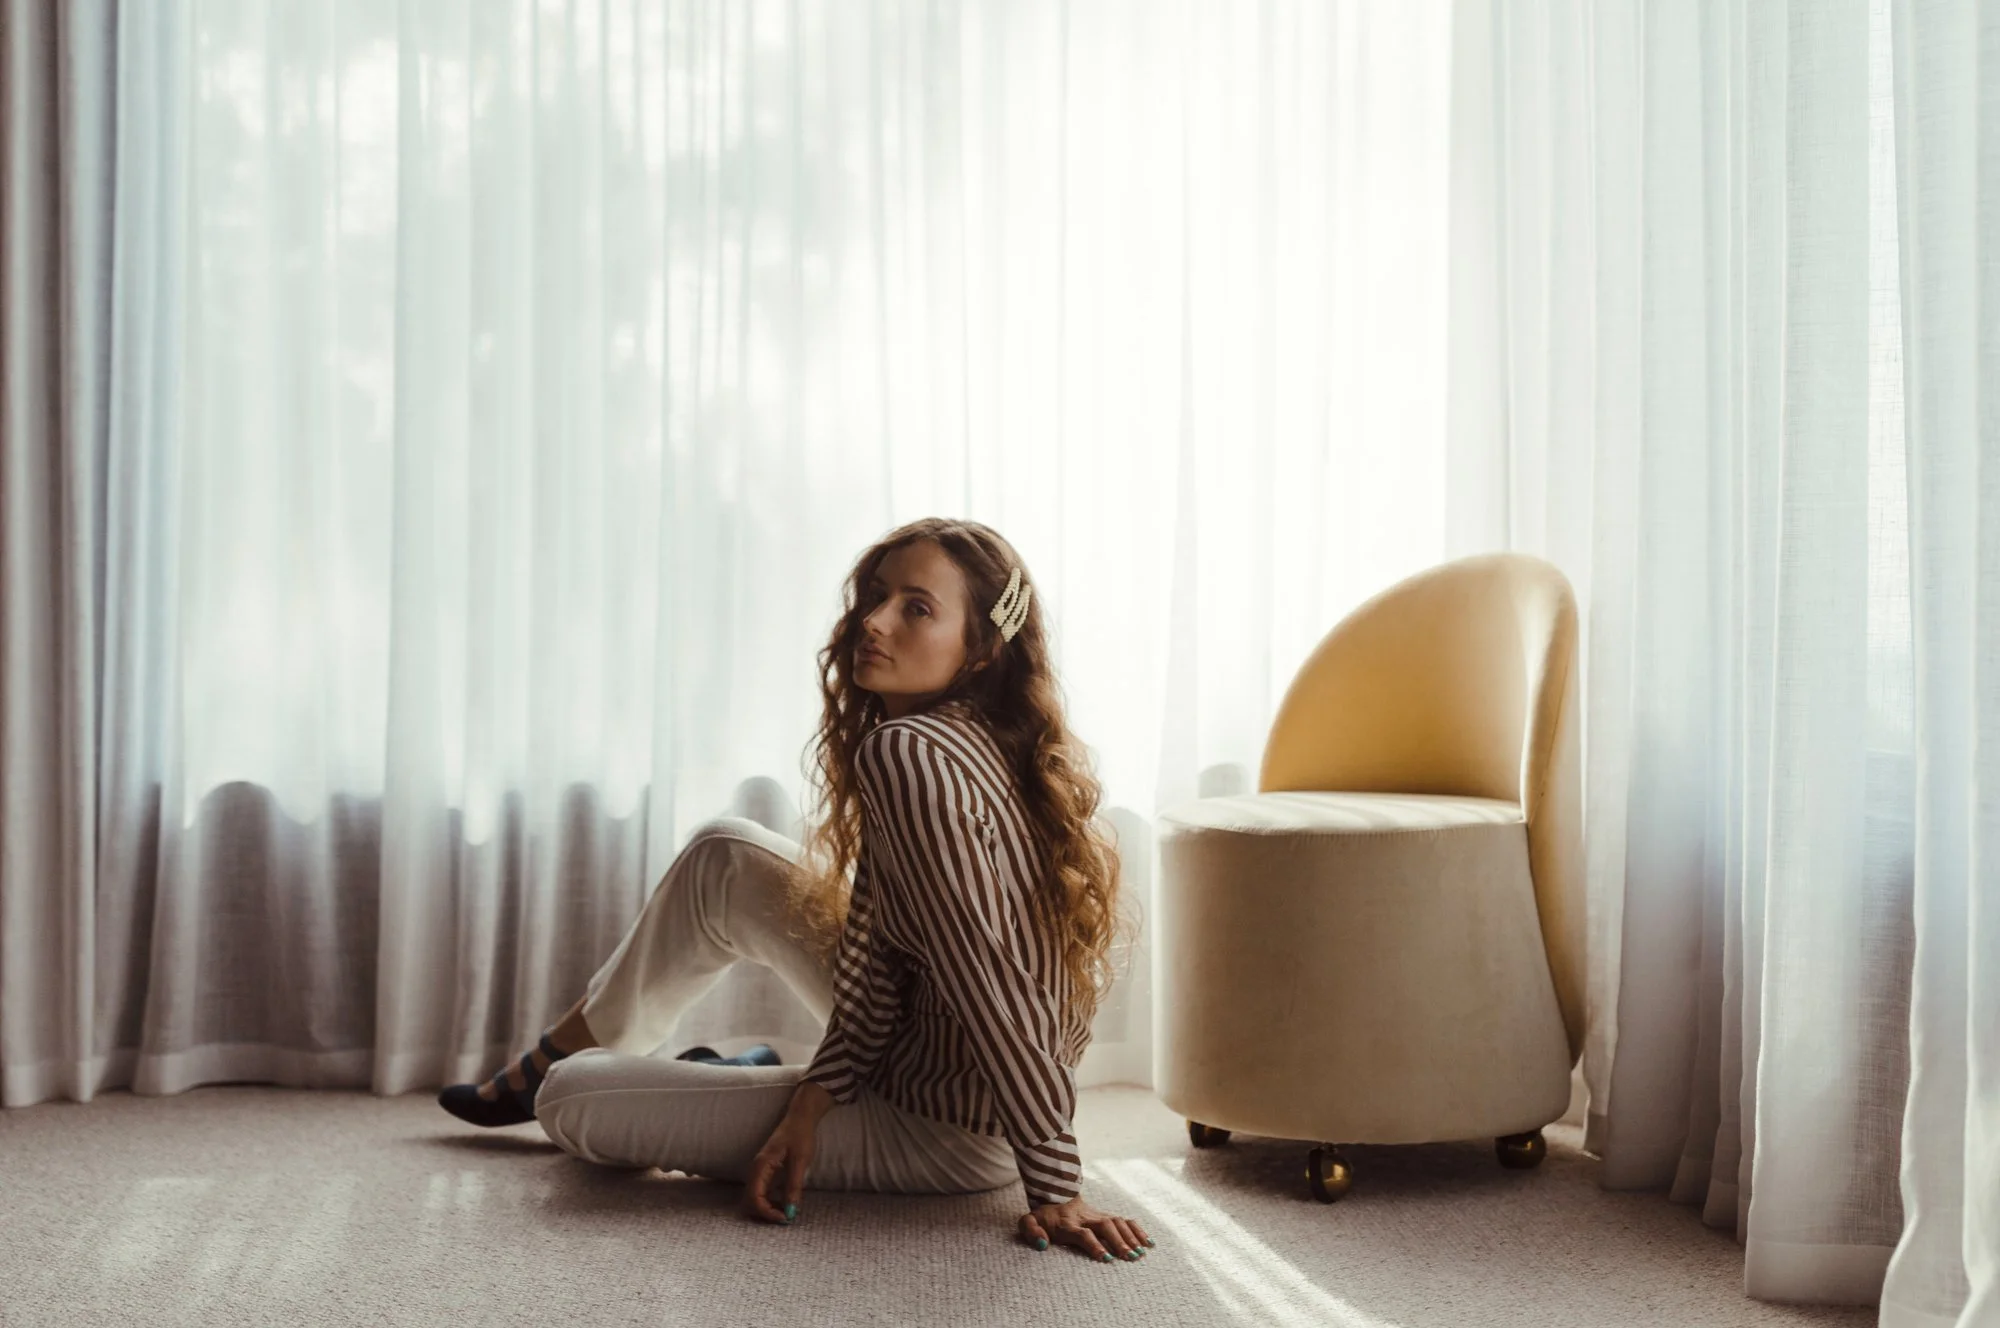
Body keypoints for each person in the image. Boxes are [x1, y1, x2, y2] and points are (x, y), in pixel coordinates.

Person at [436, 518, 1154, 1265]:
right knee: (726, 855)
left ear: (980, 650)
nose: (872, 622)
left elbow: (994, 981)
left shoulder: (908, 752)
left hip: (947, 1133)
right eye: (877, 597)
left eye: (916, 607)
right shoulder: (960, 732)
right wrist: (814, 1097)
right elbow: (885, 956)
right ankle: (617, 1055)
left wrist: (1055, 1183)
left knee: (570, 1097)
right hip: (922, 1049)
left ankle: (625, 1074)